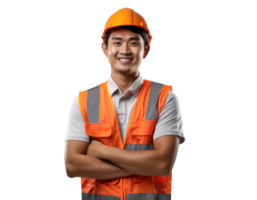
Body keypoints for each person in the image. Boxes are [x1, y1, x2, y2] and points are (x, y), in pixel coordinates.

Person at [64, 6, 186, 199]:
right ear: (104, 48)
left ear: (146, 50)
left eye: (134, 43)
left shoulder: (165, 97)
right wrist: (144, 166)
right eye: (117, 42)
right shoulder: (83, 100)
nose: (125, 50)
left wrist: (101, 151)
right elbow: (72, 166)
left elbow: (162, 165)